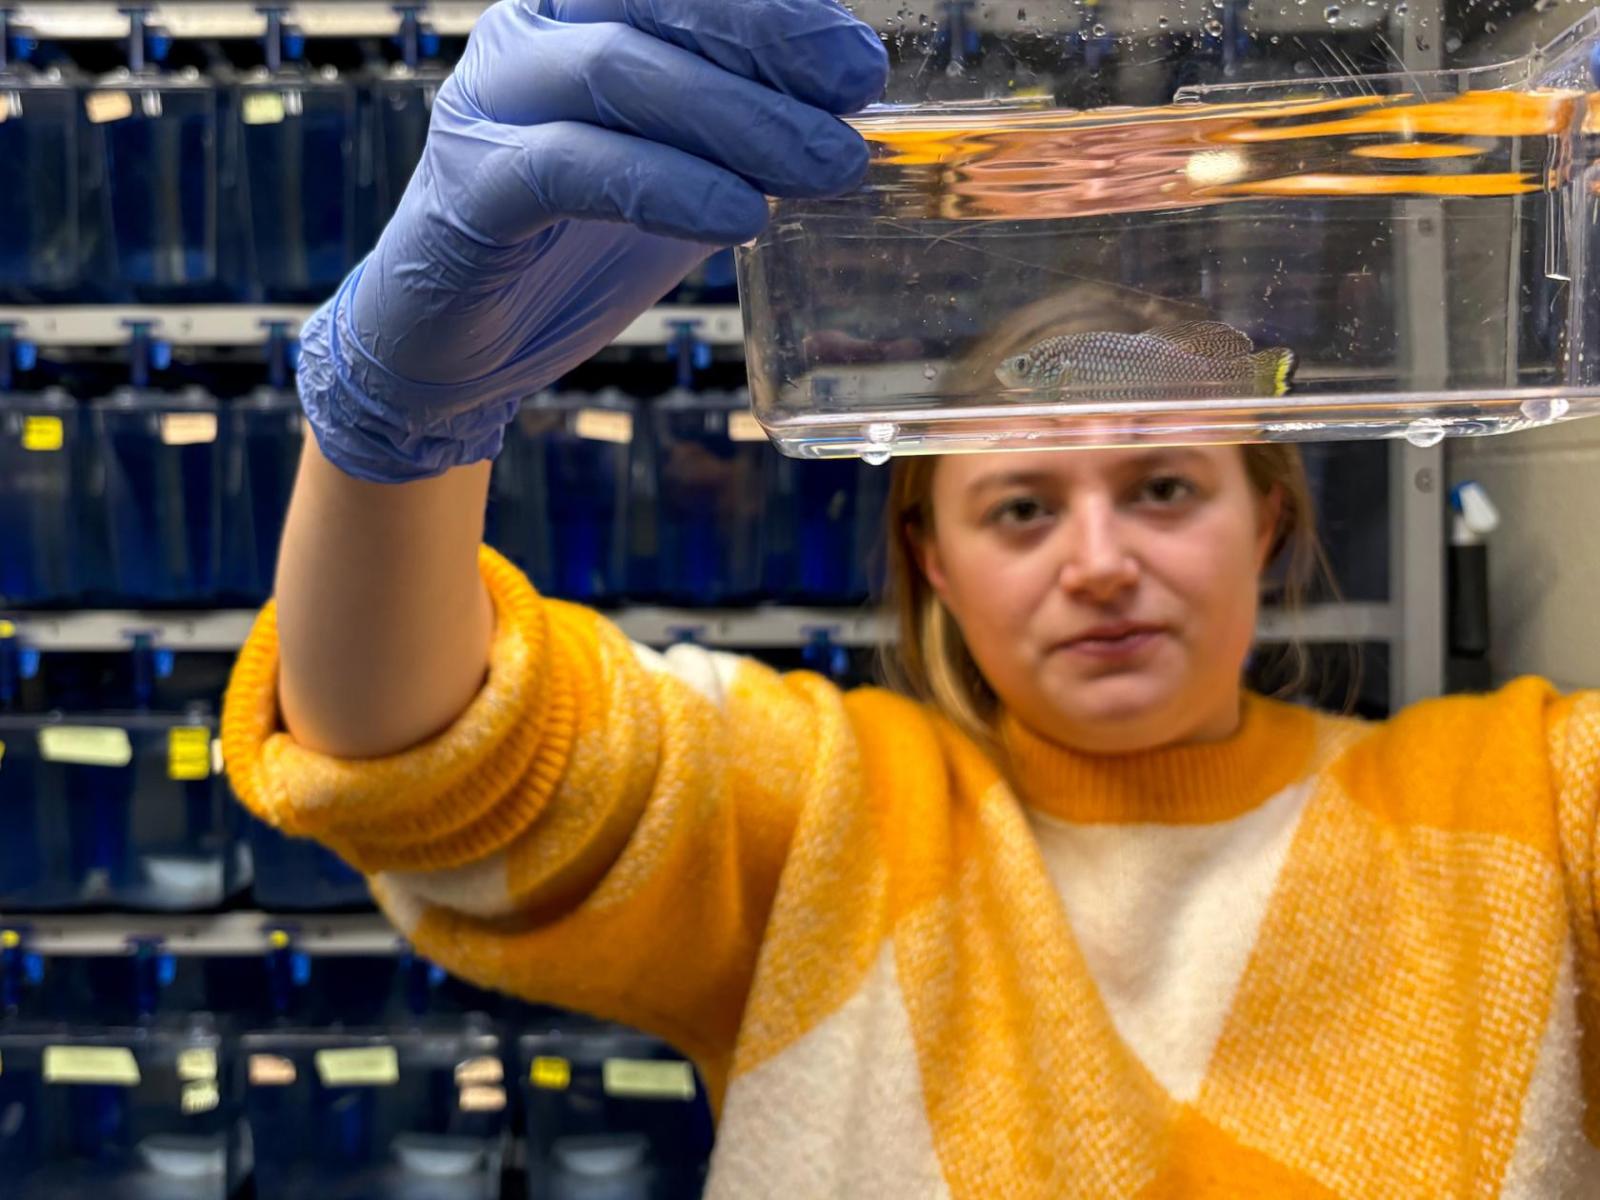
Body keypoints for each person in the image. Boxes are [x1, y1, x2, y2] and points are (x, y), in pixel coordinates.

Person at [222, 0, 1600, 1194]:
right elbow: (415, 762)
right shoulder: (820, 816)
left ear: (1272, 522)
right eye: (1019, 508)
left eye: (1167, 488)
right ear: (932, 558)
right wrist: (395, 427)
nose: (1101, 559)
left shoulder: (1529, 801)